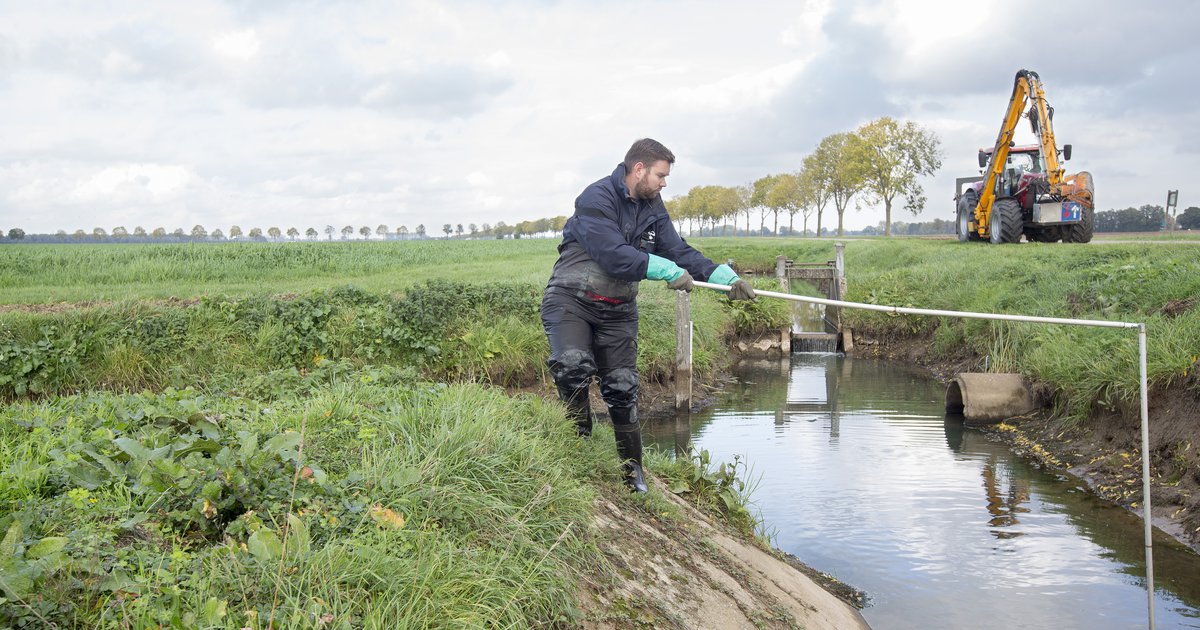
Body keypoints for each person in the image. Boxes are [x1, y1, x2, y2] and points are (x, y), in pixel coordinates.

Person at [540, 138, 756, 493]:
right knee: (572, 364)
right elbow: (612, 254)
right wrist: (665, 271)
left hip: (618, 310)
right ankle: (577, 442)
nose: (664, 183)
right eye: (660, 175)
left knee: (623, 389)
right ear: (638, 169)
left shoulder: (653, 206)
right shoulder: (596, 199)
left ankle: (632, 470)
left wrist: (721, 275)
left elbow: (676, 249)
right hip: (571, 301)